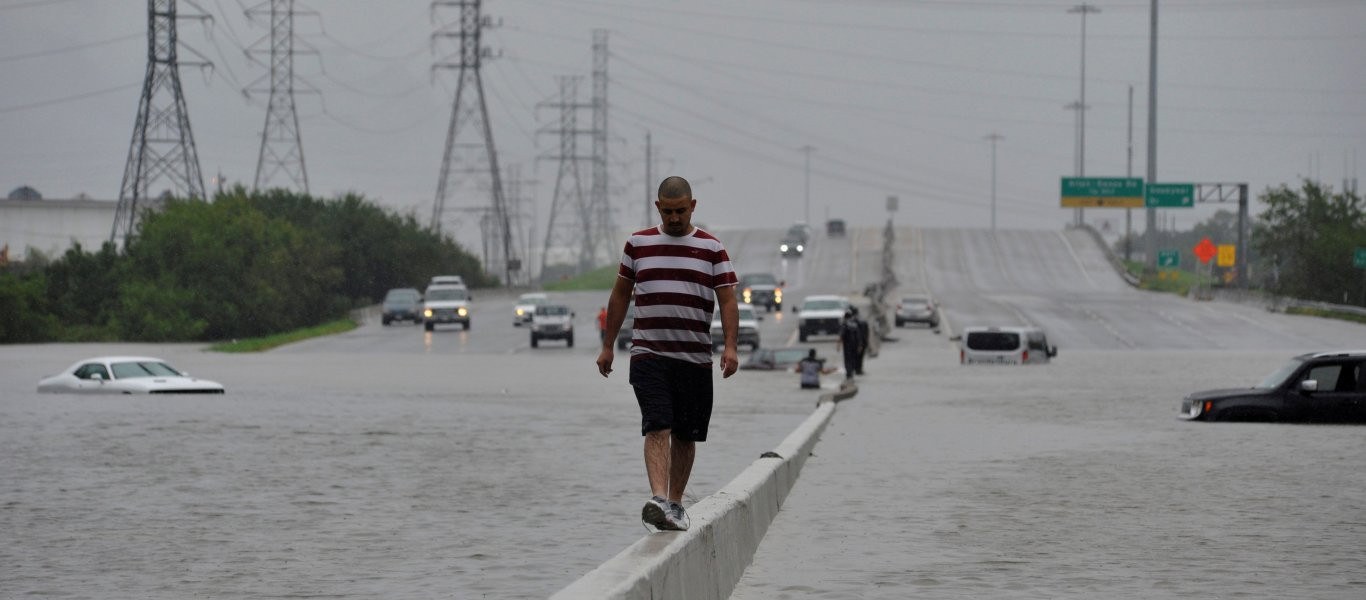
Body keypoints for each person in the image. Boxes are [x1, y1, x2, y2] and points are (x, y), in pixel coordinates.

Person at [596, 175, 740, 533]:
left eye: (681, 211)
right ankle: (658, 498)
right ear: (657, 207)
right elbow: (619, 295)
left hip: (694, 358)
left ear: (693, 207)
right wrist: (607, 346)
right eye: (668, 211)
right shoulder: (638, 244)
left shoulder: (711, 248)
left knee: (686, 435)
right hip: (649, 354)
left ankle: (675, 504)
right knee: (657, 424)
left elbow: (727, 299)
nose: (675, 218)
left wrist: (732, 347)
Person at [836, 309, 863, 380]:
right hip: (855, 345)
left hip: (847, 346)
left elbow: (841, 335)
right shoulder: (855, 324)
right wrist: (860, 346)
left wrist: (838, 345)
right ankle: (851, 373)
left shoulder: (844, 324)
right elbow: (859, 336)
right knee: (853, 359)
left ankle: (849, 374)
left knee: (847, 360)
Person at [851, 306, 870, 375]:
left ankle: (855, 369)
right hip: (862, 341)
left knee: (854, 356)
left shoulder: (852, 321)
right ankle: (858, 369)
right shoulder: (863, 320)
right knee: (860, 357)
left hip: (855, 342)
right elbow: (867, 332)